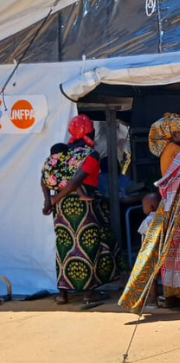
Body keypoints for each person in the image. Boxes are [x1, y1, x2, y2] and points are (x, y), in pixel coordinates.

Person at [119, 113, 180, 314]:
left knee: (176, 256)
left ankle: (174, 298)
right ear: (173, 134)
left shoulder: (172, 150)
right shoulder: (177, 151)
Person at [40, 114, 124, 307]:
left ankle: (62, 294)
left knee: (64, 245)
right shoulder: (90, 154)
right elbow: (77, 179)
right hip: (83, 203)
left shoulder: (59, 152)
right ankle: (88, 293)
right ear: (91, 131)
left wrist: (50, 200)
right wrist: (54, 199)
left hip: (61, 209)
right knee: (88, 244)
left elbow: (44, 176)